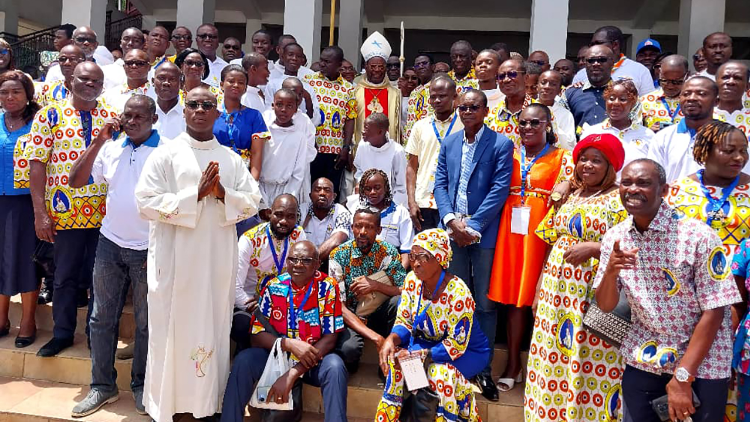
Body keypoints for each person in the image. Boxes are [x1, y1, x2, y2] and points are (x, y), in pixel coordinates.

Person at [135, 86, 261, 421]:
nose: (201, 110)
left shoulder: (232, 159)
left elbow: (253, 201)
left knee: (210, 328)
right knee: (170, 333)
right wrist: (195, 195)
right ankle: (168, 405)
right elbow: (145, 202)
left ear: (217, 113)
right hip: (174, 263)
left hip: (213, 264)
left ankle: (205, 405)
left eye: (208, 105)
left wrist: (222, 194)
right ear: (185, 109)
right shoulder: (165, 154)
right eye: (194, 104)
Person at [595, 159, 740, 422]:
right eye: (626, 182)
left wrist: (683, 376)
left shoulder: (698, 236)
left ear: (665, 190)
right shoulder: (615, 238)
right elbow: (605, 305)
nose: (633, 189)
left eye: (643, 183)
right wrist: (611, 272)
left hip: (701, 365)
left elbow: (715, 311)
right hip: (644, 359)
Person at [68, 95, 163, 417]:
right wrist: (98, 140)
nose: (133, 121)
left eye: (140, 116)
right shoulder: (111, 147)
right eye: (128, 115)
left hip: (149, 248)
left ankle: (141, 386)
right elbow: (75, 180)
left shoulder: (166, 151)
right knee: (100, 318)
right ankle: (103, 387)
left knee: (146, 323)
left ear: (153, 118)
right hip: (110, 244)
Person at [525, 133, 627, 421]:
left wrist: (596, 248)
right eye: (584, 158)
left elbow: (634, 246)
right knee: (551, 359)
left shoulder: (620, 199)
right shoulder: (570, 196)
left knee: (590, 359)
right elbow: (550, 243)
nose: (588, 165)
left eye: (597, 160)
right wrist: (539, 288)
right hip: (555, 297)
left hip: (594, 295)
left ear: (612, 166)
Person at [27, 62, 116, 358]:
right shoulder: (49, 114)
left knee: (98, 279)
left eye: (97, 81)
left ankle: (96, 335)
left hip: (105, 214)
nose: (91, 84)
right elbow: (37, 164)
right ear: (71, 80)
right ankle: (62, 333)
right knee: (63, 276)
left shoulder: (111, 117)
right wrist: (40, 213)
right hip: (64, 213)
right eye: (85, 79)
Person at [434, 89, 513, 401]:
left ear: (484, 110)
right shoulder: (451, 142)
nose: (467, 112)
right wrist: (452, 221)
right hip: (454, 233)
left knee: (485, 304)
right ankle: (457, 364)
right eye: (463, 107)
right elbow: (440, 183)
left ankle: (483, 368)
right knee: (457, 302)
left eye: (473, 107)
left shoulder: (501, 144)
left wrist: (474, 226)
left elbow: (499, 188)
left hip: (484, 235)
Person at [488, 104, 573, 392]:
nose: (527, 128)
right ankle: (513, 363)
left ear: (548, 124)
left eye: (534, 123)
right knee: (513, 299)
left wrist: (563, 187)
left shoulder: (563, 157)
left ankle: (542, 369)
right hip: (510, 231)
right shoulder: (508, 154)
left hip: (541, 233)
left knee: (538, 298)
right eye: (523, 123)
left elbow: (570, 184)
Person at [221, 241, 347, 422]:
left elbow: (330, 338)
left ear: (317, 264)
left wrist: (293, 373)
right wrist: (287, 344)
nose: (297, 264)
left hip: (312, 359)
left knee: (335, 367)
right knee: (244, 360)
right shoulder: (273, 286)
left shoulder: (328, 287)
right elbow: (256, 335)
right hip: (277, 357)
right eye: (293, 259)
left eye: (305, 260)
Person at [375, 229, 491, 422]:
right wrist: (390, 340)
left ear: (440, 258)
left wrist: (418, 355)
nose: (416, 263)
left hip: (467, 351)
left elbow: (456, 344)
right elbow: (405, 320)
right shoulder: (412, 280)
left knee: (438, 374)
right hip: (429, 345)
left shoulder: (458, 293)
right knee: (398, 364)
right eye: (412, 257)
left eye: (423, 257)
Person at [328, 208, 407, 373]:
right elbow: (339, 306)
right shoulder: (339, 255)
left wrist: (376, 285)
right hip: (351, 318)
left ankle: (388, 369)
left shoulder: (389, 252)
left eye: (369, 227)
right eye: (358, 226)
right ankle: (350, 368)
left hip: (379, 314)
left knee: (398, 302)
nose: (362, 232)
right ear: (352, 228)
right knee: (348, 350)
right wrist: (376, 338)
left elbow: (404, 290)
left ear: (379, 230)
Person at [233, 194, 306, 350]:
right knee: (242, 325)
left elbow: (303, 278)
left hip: (286, 304)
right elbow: (235, 288)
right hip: (252, 304)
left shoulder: (298, 235)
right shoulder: (249, 240)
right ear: (269, 213)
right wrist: (262, 307)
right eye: (278, 214)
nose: (284, 221)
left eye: (290, 216)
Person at [0, 70, 41, 348]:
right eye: (4, 92)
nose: (9, 97)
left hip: (27, 202)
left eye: (16, 92)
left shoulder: (39, 123)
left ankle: (27, 320)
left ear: (28, 95)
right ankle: (1, 318)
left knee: (27, 261)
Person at [405, 75, 463, 232]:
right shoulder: (420, 126)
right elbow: (411, 167)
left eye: (442, 96)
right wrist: (411, 201)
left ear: (455, 97)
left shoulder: (464, 124)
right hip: (424, 202)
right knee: (424, 252)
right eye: (433, 97)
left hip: (453, 201)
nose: (437, 100)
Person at [304, 46, 356, 197]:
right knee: (310, 190)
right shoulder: (309, 81)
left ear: (339, 65)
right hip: (313, 147)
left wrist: (346, 148)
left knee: (331, 191)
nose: (322, 64)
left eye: (327, 61)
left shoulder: (348, 89)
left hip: (335, 150)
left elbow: (350, 119)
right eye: (321, 60)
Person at [647, 76, 720, 183]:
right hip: (672, 198)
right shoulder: (663, 137)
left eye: (701, 94)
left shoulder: (728, 137)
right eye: (686, 94)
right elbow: (653, 178)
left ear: (716, 101)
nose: (691, 98)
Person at [580, 79, 655, 175]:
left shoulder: (647, 135)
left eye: (622, 99)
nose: (615, 103)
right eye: (611, 98)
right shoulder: (591, 133)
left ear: (632, 103)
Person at [213, 64, 270, 181]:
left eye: (241, 82)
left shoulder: (254, 116)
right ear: (221, 85)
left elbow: (256, 154)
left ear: (245, 88)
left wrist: (253, 184)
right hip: (214, 172)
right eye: (231, 81)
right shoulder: (211, 113)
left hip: (242, 175)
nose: (236, 85)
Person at [258, 89, 312, 205]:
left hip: (285, 189)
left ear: (296, 109)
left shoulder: (299, 137)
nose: (283, 110)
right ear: (273, 106)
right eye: (279, 105)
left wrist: (287, 198)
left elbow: (298, 173)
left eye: (289, 106)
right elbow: (255, 162)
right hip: (261, 188)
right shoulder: (263, 130)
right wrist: (261, 200)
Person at [351, 169, 414, 267]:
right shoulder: (357, 212)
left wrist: (397, 276)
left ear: (386, 188)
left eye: (377, 188)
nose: (372, 192)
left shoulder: (400, 212)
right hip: (361, 264)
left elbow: (406, 251)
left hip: (391, 265)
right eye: (368, 189)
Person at [572, 25, 655, 95]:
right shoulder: (582, 74)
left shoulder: (639, 71)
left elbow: (647, 104)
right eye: (592, 44)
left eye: (598, 43)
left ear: (615, 45)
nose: (594, 47)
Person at [352, 32, 401, 147]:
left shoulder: (395, 93)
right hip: (362, 147)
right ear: (366, 67)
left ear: (385, 68)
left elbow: (397, 126)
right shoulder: (355, 92)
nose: (377, 70)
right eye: (373, 66)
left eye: (381, 66)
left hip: (388, 148)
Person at [353, 113, 407, 206]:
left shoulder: (397, 151)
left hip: (390, 204)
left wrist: (391, 207)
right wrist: (360, 183)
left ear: (380, 132)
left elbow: (401, 186)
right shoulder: (362, 146)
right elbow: (359, 170)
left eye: (367, 129)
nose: (362, 132)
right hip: (366, 199)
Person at [299, 177, 352, 265]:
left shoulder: (341, 212)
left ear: (334, 196)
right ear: (310, 195)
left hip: (330, 263)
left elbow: (337, 240)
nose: (322, 193)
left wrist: (309, 262)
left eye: (327, 190)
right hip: (300, 261)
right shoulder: (301, 210)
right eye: (317, 190)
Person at [563, 44, 614, 132]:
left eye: (602, 60)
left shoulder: (625, 94)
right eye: (591, 60)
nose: (596, 64)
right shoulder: (570, 94)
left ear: (612, 63)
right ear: (585, 64)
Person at [264, 42, 318, 122]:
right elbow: (269, 111)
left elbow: (315, 118)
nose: (294, 58)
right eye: (290, 55)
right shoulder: (272, 84)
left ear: (302, 60)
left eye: (298, 56)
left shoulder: (308, 87)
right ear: (282, 57)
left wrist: (307, 98)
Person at [486, 58, 534, 149]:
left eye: (512, 74)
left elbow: (553, 151)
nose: (506, 80)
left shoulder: (542, 113)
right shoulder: (491, 115)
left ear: (526, 78)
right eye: (501, 76)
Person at [640, 54, 688, 132]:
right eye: (664, 81)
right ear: (659, 74)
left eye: (676, 82)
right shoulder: (645, 101)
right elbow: (634, 133)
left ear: (687, 76)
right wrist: (648, 132)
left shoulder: (693, 101)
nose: (670, 86)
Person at [102, 49, 154, 113]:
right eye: (129, 63)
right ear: (124, 67)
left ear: (149, 67)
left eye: (140, 63)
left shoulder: (158, 95)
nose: (134, 66)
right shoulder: (109, 96)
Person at [537, 70, 576, 150]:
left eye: (553, 84)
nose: (547, 87)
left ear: (560, 90)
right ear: (537, 86)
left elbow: (570, 145)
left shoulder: (565, 114)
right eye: (543, 82)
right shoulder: (527, 108)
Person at [403, 54, 435, 142]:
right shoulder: (414, 92)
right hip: (413, 141)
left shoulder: (439, 87)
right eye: (417, 65)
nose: (421, 66)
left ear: (433, 67)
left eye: (424, 63)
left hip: (431, 139)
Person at [714, 61, 750, 138]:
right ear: (715, 84)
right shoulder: (703, 118)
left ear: (747, 86)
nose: (730, 82)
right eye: (725, 77)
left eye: (737, 78)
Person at [151, 61, 185, 139]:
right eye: (161, 78)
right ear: (153, 82)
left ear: (181, 84)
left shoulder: (188, 116)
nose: (166, 83)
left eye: (172, 79)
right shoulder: (143, 114)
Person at [195, 24, 227, 88]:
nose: (207, 39)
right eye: (203, 36)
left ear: (218, 41)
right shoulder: (189, 65)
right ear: (196, 41)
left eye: (212, 36)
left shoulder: (226, 67)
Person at [398, 67, 418, 136]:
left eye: (414, 78)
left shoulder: (421, 98)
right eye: (406, 78)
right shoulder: (395, 96)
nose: (410, 80)